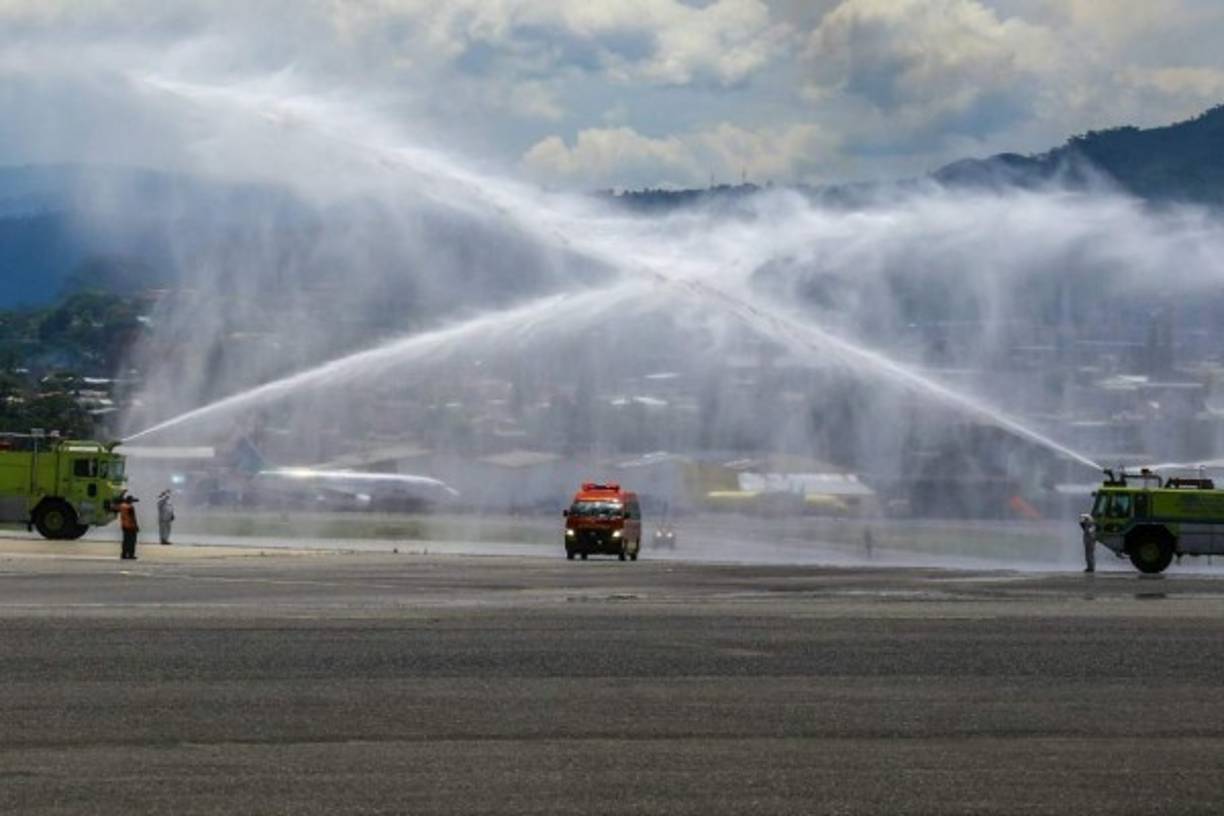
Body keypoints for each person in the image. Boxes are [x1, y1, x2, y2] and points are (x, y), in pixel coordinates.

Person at [117, 493, 140, 560]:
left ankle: (124, 554)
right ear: (130, 501)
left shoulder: (122, 506)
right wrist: (136, 526)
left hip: (124, 526)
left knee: (125, 541)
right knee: (132, 541)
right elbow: (133, 517)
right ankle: (131, 555)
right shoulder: (130, 507)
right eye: (132, 500)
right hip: (131, 526)